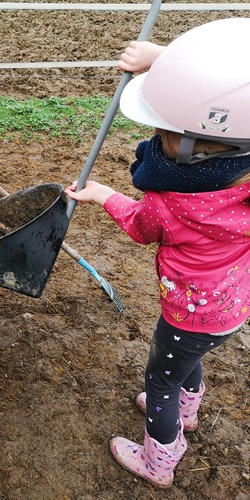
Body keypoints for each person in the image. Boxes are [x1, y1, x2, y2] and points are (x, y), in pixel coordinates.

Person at [66, 18, 250, 488]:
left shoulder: (167, 204)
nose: (154, 135)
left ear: (192, 148)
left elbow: (138, 226)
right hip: (231, 310)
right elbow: (234, 90)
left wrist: (103, 193)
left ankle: (159, 462)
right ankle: (188, 410)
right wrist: (165, 60)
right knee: (188, 358)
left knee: (161, 381)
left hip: (187, 314)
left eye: (164, 130)